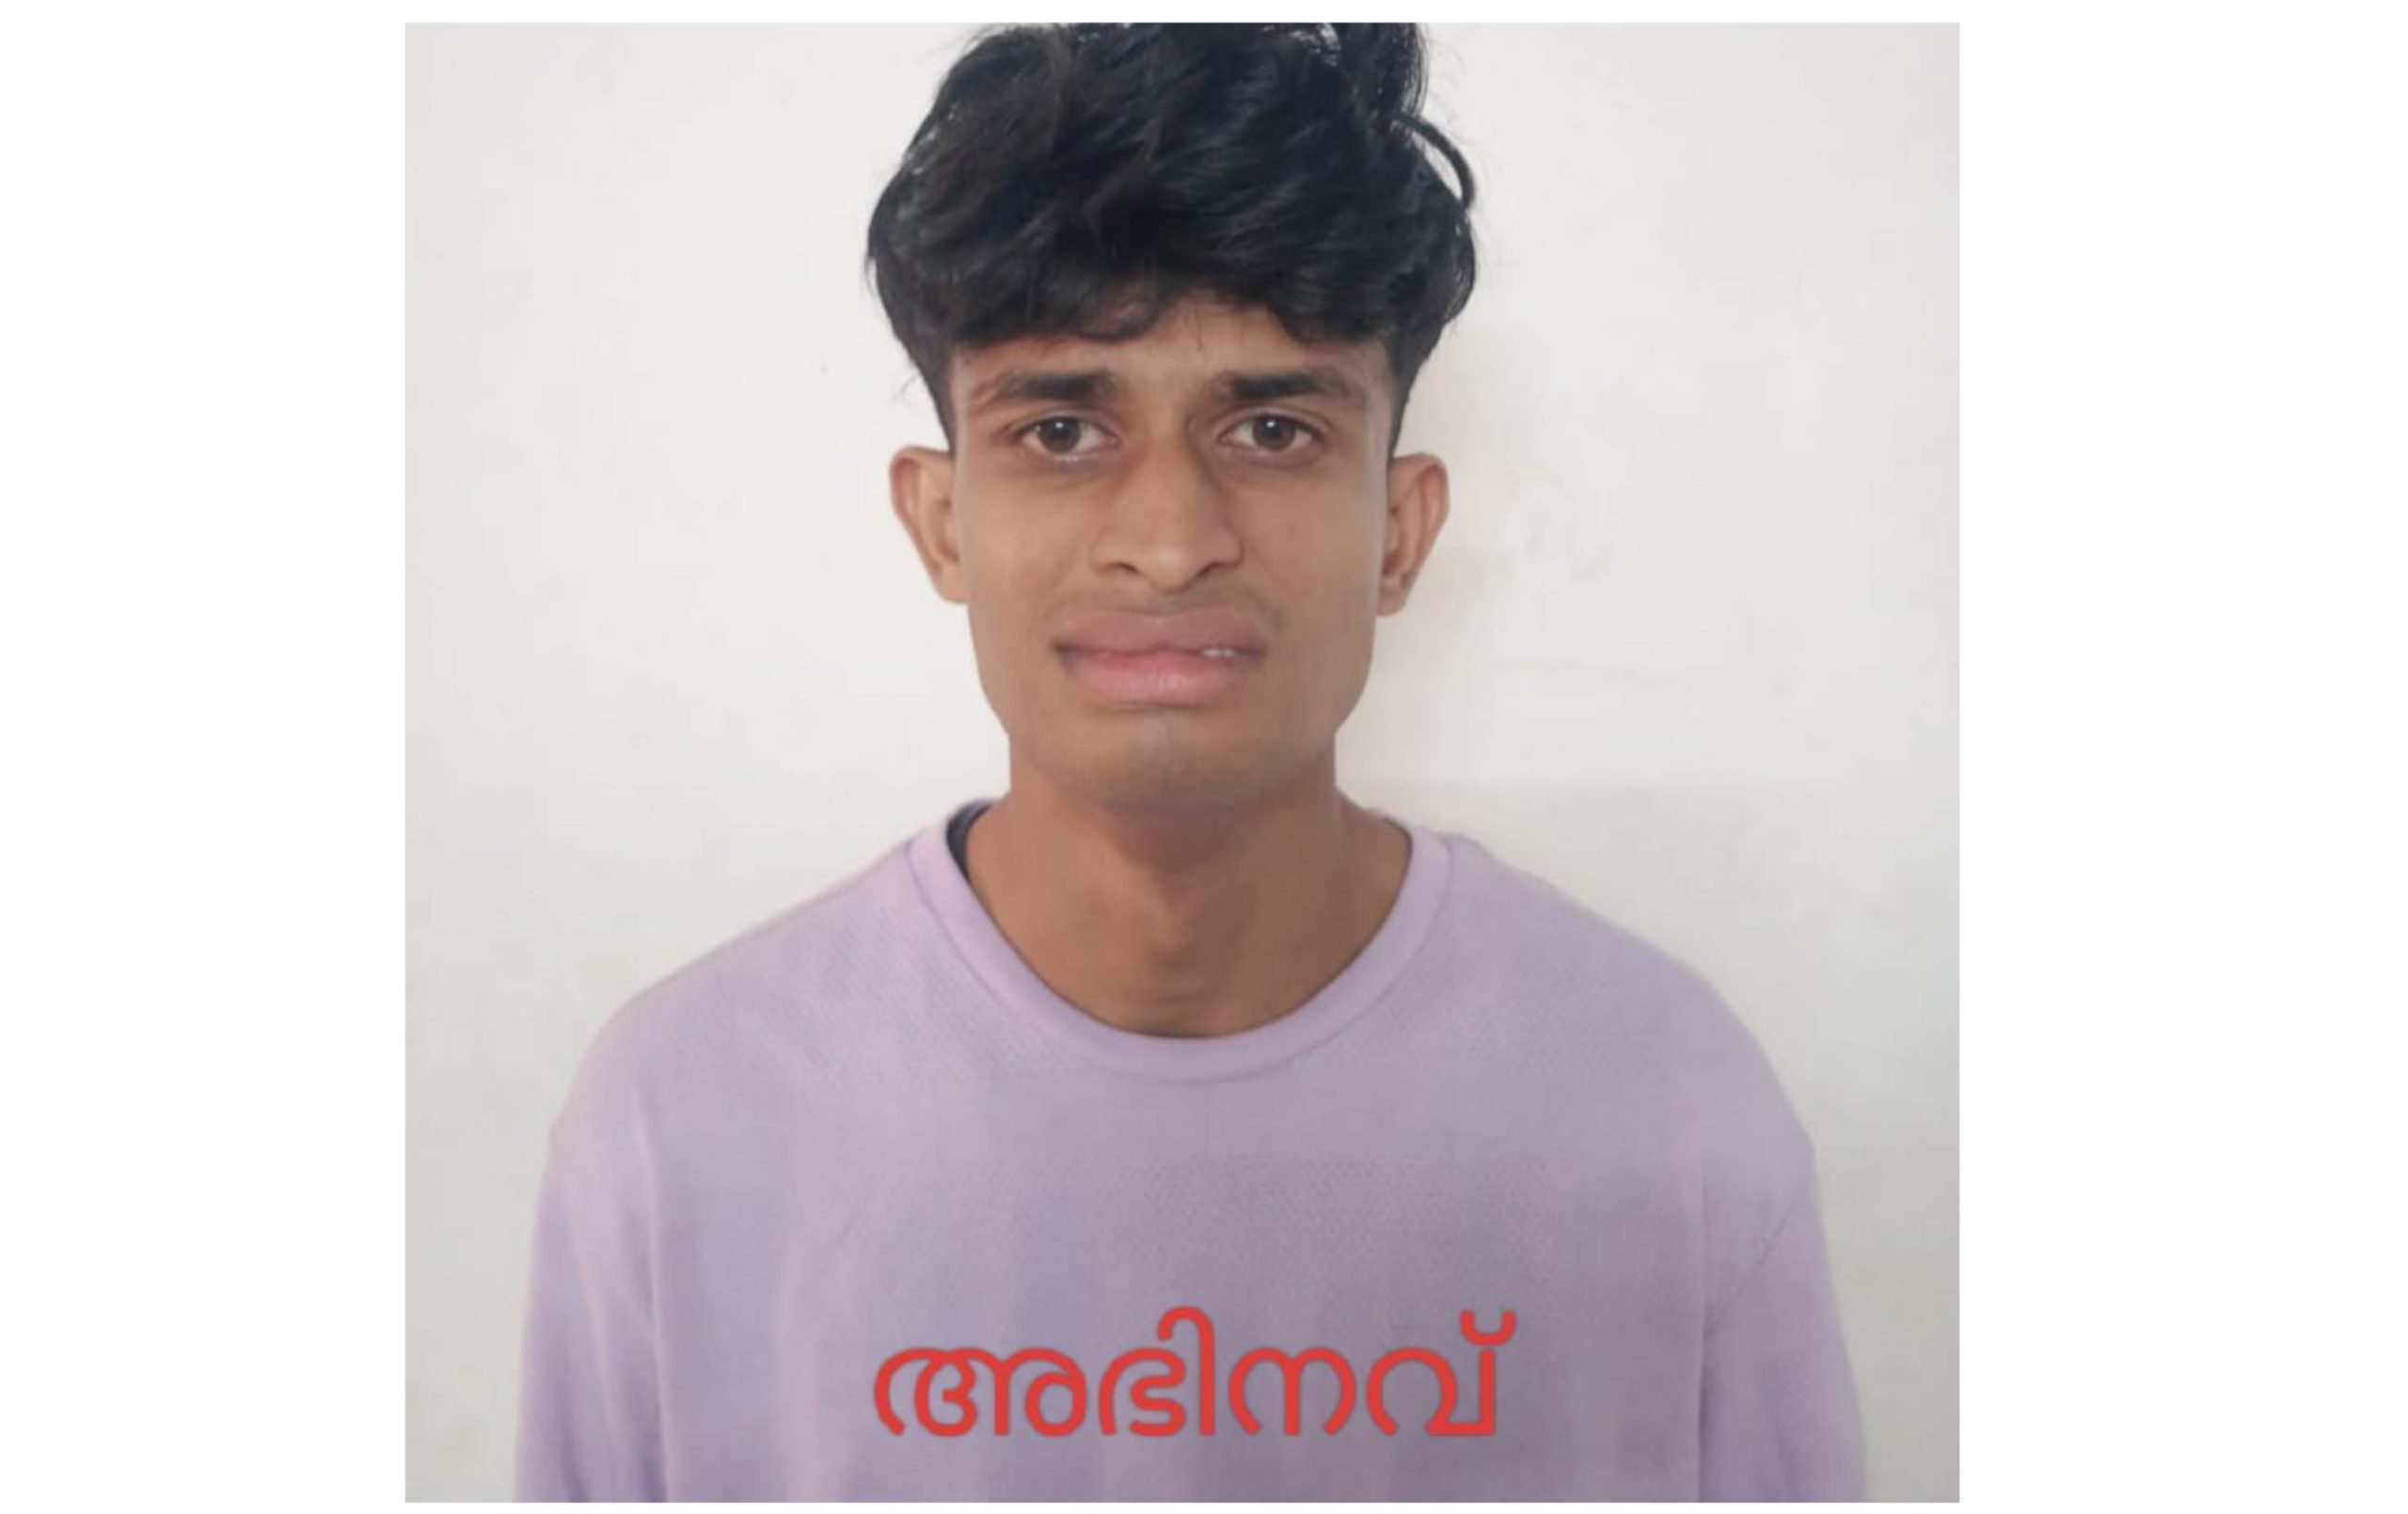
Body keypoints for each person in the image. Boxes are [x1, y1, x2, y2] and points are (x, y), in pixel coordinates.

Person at [514, 23, 1866, 1501]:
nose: (1169, 541)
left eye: (1274, 428)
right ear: (941, 522)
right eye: (1061, 429)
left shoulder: (1667, 1111)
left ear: (1402, 531)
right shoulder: (677, 1123)